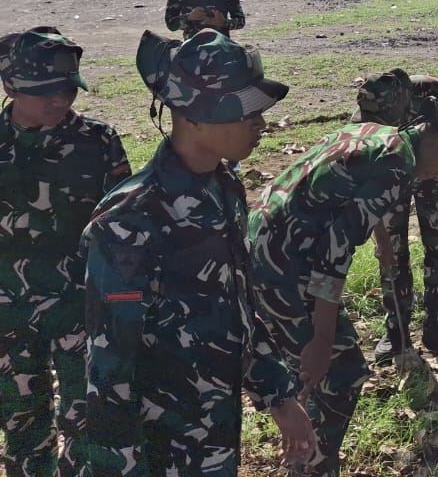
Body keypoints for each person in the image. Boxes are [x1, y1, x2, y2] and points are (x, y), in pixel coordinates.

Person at [81, 29, 313, 476]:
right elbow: (109, 364)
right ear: (194, 115)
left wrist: (278, 396)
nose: (259, 122)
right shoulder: (130, 219)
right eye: (243, 110)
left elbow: (237, 304)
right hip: (153, 448)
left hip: (215, 432)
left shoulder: (224, 188)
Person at [248, 120, 438, 477]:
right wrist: (323, 338)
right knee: (339, 374)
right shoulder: (399, 165)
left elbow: (346, 191)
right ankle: (312, 467)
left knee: (314, 367)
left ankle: (305, 446)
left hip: (262, 237)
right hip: (284, 262)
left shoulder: (379, 134)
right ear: (435, 139)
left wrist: (382, 238)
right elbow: (335, 248)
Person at [0, 27, 130, 477]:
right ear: (10, 87)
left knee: (86, 422)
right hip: (7, 314)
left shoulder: (98, 141)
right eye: (47, 93)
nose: (61, 102)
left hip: (79, 309)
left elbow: (121, 231)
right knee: (20, 425)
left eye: (69, 90)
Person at [353, 69, 438, 362]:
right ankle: (396, 329)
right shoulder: (364, 120)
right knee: (392, 254)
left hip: (433, 172)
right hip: (390, 177)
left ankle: (437, 326)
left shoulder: (430, 92)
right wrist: (379, 235)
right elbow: (365, 178)